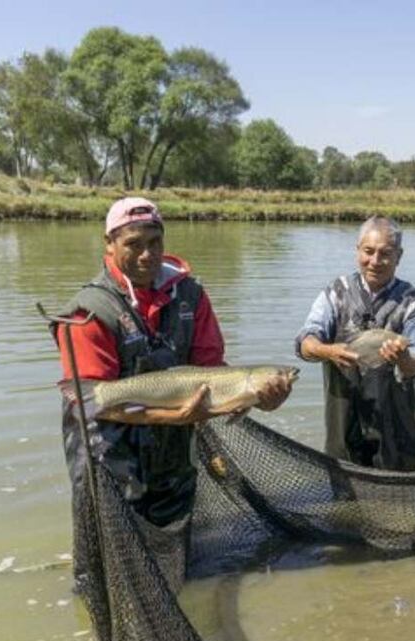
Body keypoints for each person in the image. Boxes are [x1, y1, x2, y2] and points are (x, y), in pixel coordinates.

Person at [53, 196, 291, 590]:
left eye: (155, 242)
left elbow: (215, 371)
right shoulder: (88, 312)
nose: (147, 254)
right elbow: (92, 403)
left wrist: (255, 398)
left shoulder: (190, 296)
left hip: (172, 450)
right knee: (107, 566)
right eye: (133, 243)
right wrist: (175, 416)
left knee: (170, 551)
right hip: (108, 450)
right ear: (109, 245)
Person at [295, 216, 415, 472]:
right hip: (344, 427)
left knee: (398, 505)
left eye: (385, 254)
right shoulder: (336, 292)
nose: (375, 261)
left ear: (399, 256)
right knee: (344, 507)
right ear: (357, 250)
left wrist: (403, 358)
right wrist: (328, 350)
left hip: (398, 432)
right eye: (368, 252)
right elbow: (306, 341)